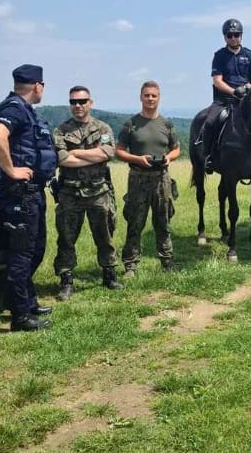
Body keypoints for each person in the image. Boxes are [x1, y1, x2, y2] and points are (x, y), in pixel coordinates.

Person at [0, 64, 58, 332]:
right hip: (20, 195)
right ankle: (20, 316)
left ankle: (27, 301)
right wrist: (11, 170)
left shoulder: (26, 110)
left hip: (33, 193)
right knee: (22, 254)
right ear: (38, 86)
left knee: (35, 250)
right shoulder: (14, 109)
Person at [52, 85, 121, 296]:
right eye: (73, 102)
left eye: (82, 101)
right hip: (70, 193)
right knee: (66, 238)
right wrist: (93, 155)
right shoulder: (61, 131)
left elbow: (107, 152)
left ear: (90, 102)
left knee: (105, 235)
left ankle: (109, 275)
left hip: (98, 191)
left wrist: (76, 153)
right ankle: (66, 280)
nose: (78, 105)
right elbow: (62, 159)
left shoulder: (102, 128)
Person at [115, 81, 181, 278]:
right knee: (135, 223)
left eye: (154, 95)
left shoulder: (166, 124)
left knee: (163, 222)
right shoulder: (131, 124)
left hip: (162, 179)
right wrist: (137, 159)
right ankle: (131, 266)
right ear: (141, 97)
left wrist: (169, 158)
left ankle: (167, 261)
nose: (150, 99)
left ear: (159, 98)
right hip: (138, 179)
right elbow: (119, 151)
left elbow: (176, 148)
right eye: (147, 95)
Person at [201, 18, 251, 173]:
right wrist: (234, 91)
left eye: (236, 35)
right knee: (210, 122)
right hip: (224, 100)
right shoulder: (219, 55)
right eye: (230, 35)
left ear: (241, 35)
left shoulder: (249, 55)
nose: (233, 38)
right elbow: (217, 81)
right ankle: (208, 156)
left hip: (246, 100)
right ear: (225, 37)